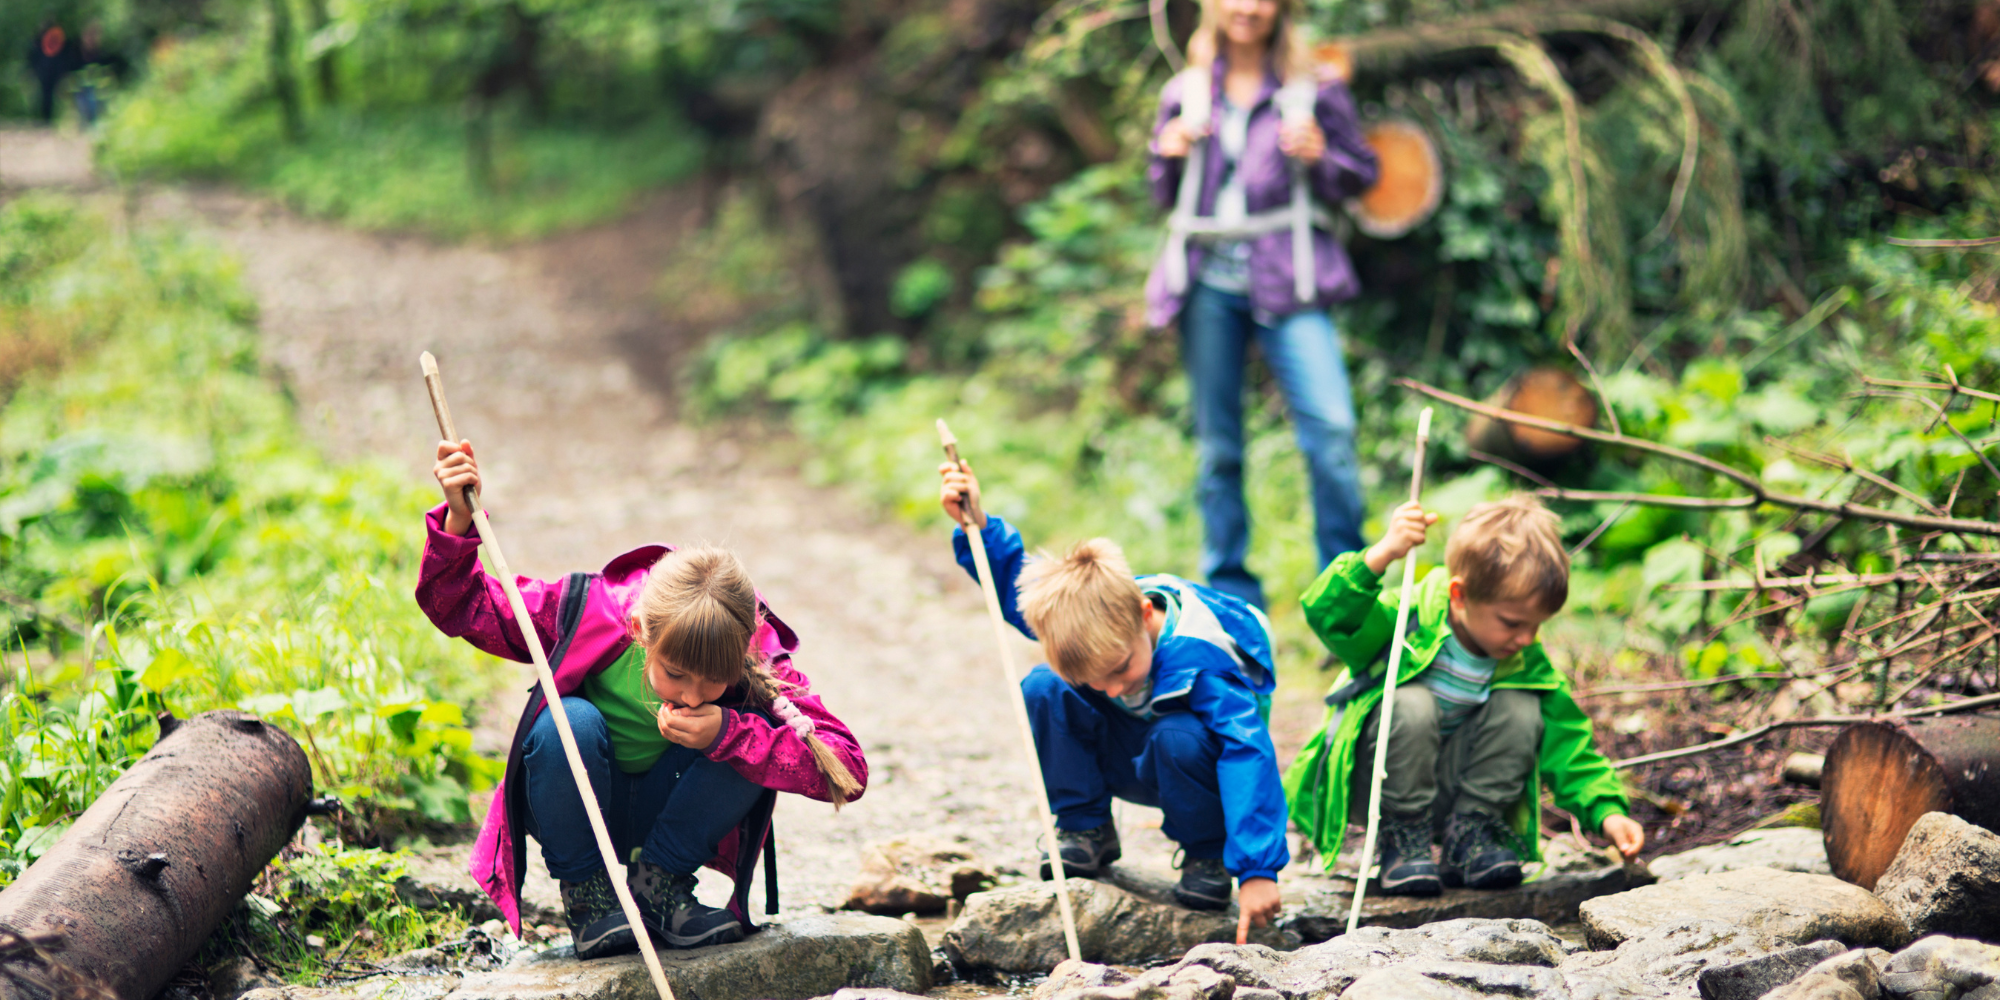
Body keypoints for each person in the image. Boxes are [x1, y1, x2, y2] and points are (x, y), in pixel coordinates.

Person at [419, 440, 867, 959]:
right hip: (583, 809)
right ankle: (590, 898)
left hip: (671, 823)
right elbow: (462, 605)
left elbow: (847, 767)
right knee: (569, 719)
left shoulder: (756, 657)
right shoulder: (584, 612)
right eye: (676, 674)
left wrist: (728, 733)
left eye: (712, 681)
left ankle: (659, 888)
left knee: (749, 726)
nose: (693, 695)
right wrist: (457, 516)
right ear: (639, 631)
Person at [938, 461, 1287, 941]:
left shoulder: (1201, 661)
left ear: (1146, 614)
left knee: (1176, 735)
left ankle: (1207, 854)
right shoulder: (1098, 624)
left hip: (1191, 769)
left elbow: (1248, 753)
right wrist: (978, 525)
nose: (1113, 689)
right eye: (1096, 679)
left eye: (1121, 669)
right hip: (1126, 755)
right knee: (1044, 686)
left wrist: (1257, 870)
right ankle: (1085, 828)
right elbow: (1020, 591)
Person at [1285, 496, 1645, 896]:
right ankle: (1403, 841)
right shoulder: (1409, 620)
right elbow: (1330, 616)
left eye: (1536, 625)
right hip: (1384, 784)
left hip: (1458, 789)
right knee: (1413, 704)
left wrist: (1608, 812)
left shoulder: (1523, 659)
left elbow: (1568, 744)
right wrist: (1382, 554)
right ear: (1459, 595)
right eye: (1511, 623)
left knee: (1524, 708)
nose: (1525, 638)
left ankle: (1469, 835)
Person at [1145, 0, 1380, 611]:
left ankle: (1342, 598)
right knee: (1218, 446)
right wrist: (1166, 151)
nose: (1245, 7)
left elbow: (1361, 173)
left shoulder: (1315, 88)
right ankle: (1230, 601)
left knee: (1332, 430)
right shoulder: (1186, 90)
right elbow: (1161, 194)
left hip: (1290, 277)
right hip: (1207, 284)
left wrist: (1320, 153)